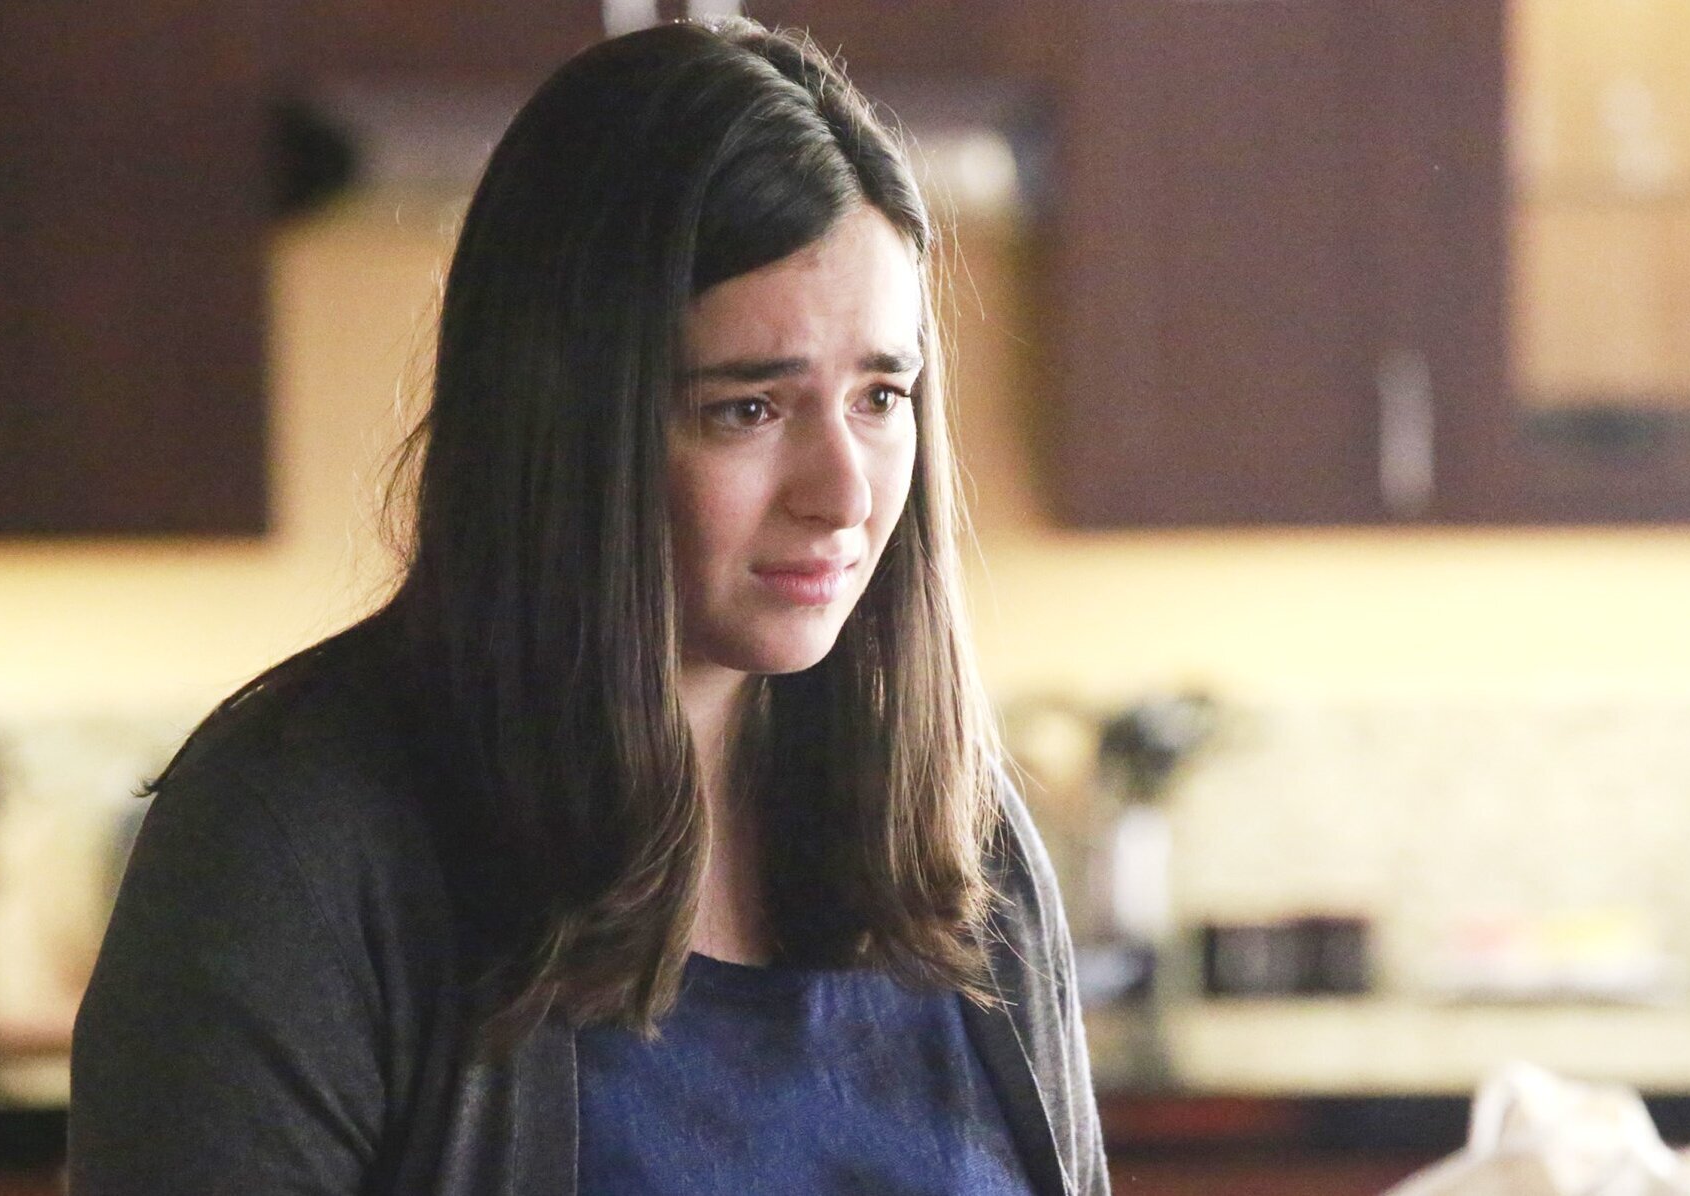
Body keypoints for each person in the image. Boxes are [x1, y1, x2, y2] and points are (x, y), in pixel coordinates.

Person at [69, 17, 1107, 1196]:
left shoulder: (961, 836)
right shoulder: (289, 846)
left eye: (879, 395)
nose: (843, 494)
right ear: (566, 421)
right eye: (747, 409)